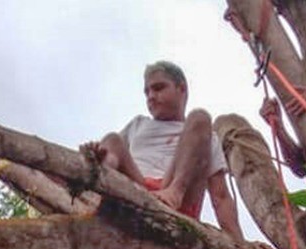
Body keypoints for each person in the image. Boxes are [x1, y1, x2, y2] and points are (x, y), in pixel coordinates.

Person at [82, 61, 244, 239]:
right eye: (147, 92)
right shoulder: (138, 124)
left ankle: (175, 192)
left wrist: (238, 243)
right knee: (112, 139)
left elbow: (220, 196)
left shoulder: (205, 136)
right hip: (136, 189)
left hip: (177, 199)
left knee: (200, 117)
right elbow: (116, 150)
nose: (151, 96)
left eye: (158, 88)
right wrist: (103, 155)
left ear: (181, 89)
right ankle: (99, 171)